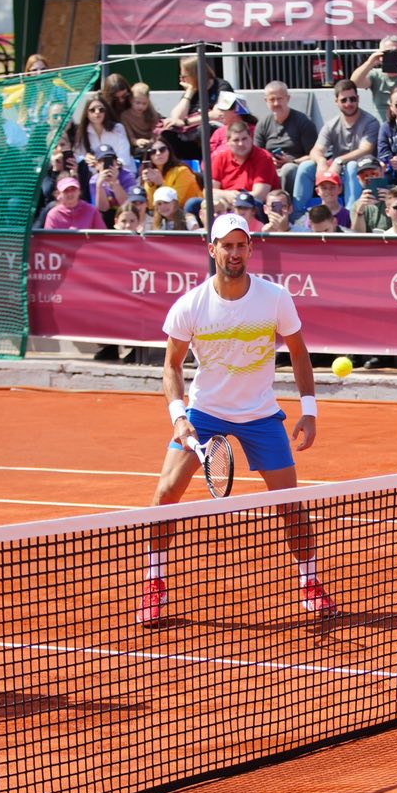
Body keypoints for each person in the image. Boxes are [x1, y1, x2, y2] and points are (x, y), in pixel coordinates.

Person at [140, 213, 332, 625]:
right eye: (226, 245)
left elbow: (298, 352)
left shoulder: (275, 297)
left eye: (241, 245)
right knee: (164, 497)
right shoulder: (190, 305)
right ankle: (154, 583)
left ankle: (310, 582)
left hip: (261, 414)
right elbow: (171, 366)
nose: (234, 252)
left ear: (250, 249)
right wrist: (179, 417)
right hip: (205, 412)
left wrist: (309, 410)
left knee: (290, 506)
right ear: (212, 250)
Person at [299, 80, 380, 203]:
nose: (349, 103)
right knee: (306, 166)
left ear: (358, 99)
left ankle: (351, 214)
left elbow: (366, 149)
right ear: (336, 101)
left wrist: (339, 161)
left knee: (352, 166)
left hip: (363, 170)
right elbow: (316, 150)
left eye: (352, 99)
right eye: (344, 100)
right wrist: (321, 161)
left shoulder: (370, 122)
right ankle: (298, 215)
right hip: (336, 172)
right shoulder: (331, 125)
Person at [255, 81, 317, 200]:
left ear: (288, 99)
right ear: (266, 101)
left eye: (280, 99)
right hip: (270, 167)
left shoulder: (303, 122)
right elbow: (257, 153)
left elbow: (314, 155)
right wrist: (269, 160)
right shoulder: (263, 124)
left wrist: (292, 161)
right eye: (272, 99)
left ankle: (286, 205)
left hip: (295, 168)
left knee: (288, 169)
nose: (276, 103)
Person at [351, 35, 397, 111]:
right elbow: (355, 83)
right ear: (381, 55)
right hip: (381, 122)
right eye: (388, 53)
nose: (392, 56)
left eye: (396, 53)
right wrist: (370, 63)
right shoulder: (375, 75)